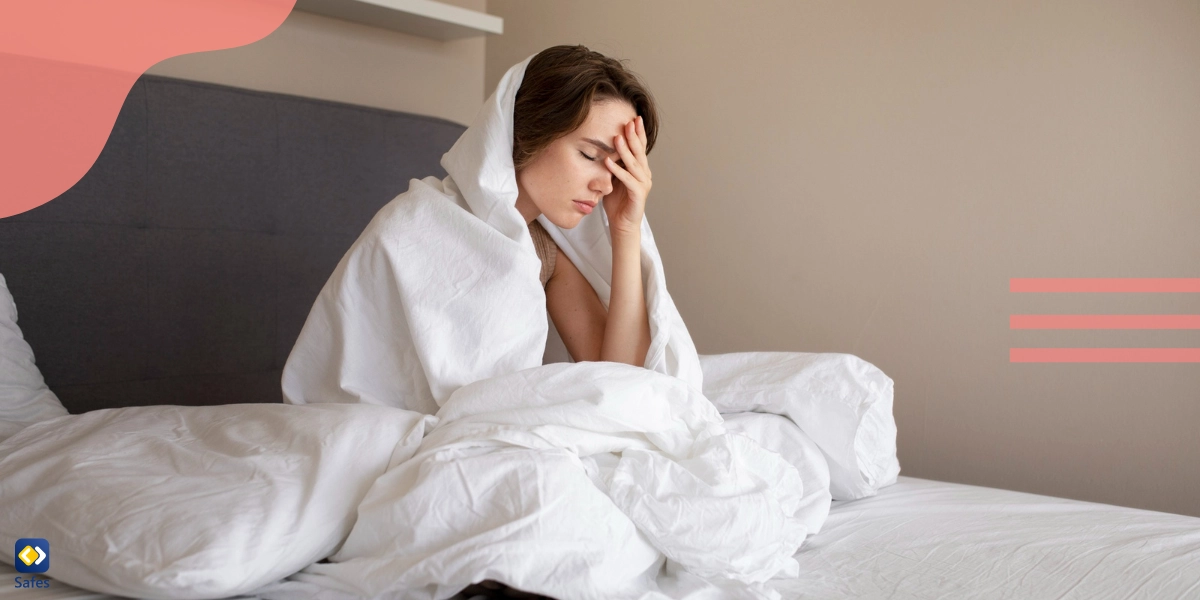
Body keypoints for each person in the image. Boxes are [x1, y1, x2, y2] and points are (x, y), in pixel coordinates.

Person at [512, 45, 658, 368]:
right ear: (527, 131)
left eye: (617, 168)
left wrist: (625, 229)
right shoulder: (416, 224)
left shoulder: (544, 254)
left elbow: (623, 379)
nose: (605, 186)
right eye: (591, 156)